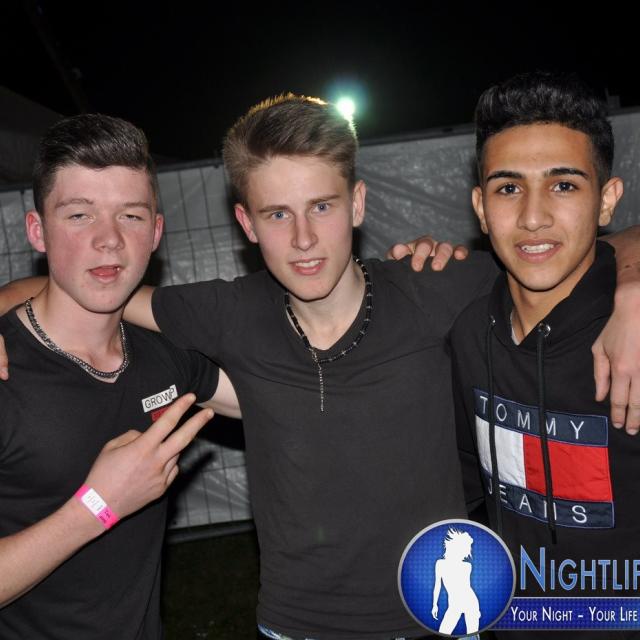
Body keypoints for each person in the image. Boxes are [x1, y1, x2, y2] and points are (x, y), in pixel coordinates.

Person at [1, 95, 639, 639]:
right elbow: (97, 289)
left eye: (323, 207)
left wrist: (633, 285)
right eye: (278, 214)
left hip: (439, 620)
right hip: (294, 626)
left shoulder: (437, 286)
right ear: (246, 223)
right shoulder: (228, 312)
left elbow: (571, 247)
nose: (303, 238)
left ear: (358, 204)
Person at [0, 113, 240, 639]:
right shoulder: (5, 371)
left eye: (130, 216)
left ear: (156, 232)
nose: (108, 239)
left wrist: (396, 281)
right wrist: (99, 506)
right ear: (37, 231)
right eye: (79, 215)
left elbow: (288, 394)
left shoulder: (166, 353)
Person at [449, 72, 640, 638]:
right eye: (508, 189)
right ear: (481, 207)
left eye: (563, 185)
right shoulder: (467, 333)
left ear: (607, 200)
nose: (533, 217)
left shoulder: (632, 334)